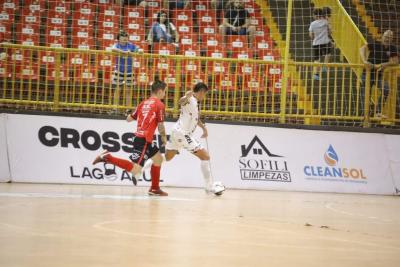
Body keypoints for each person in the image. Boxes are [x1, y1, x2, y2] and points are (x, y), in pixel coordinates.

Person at [93, 80, 169, 196]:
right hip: (143, 140)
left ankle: (154, 188)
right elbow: (160, 125)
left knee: (158, 159)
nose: (165, 94)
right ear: (159, 91)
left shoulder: (143, 103)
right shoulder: (159, 105)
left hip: (141, 137)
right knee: (136, 170)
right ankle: (107, 157)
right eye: (165, 92)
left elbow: (128, 119)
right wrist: (163, 138)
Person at [164, 82, 225, 195]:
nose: (204, 95)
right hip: (182, 133)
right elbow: (180, 102)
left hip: (176, 132)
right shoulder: (190, 99)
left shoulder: (196, 103)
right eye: (204, 93)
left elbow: (196, 119)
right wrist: (186, 96)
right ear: (201, 92)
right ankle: (209, 187)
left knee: (167, 158)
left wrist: (204, 129)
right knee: (205, 156)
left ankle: (142, 167)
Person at [359, 30, 399, 117]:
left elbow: (396, 62)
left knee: (386, 89)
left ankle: (378, 111)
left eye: (389, 37)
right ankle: (365, 114)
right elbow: (362, 49)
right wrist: (364, 61)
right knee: (365, 93)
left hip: (378, 75)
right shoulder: (376, 43)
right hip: (367, 73)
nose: (387, 39)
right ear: (382, 36)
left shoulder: (392, 48)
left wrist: (385, 64)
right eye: (385, 37)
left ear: (392, 39)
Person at [110, 31, 141, 114]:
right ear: (119, 39)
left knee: (128, 90)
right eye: (123, 39)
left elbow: (138, 50)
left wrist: (136, 51)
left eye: (126, 38)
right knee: (117, 89)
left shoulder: (131, 45)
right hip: (119, 70)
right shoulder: (116, 45)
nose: (125, 40)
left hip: (130, 71)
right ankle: (114, 108)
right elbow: (113, 49)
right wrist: (124, 52)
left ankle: (128, 109)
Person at [309, 8, 332, 80]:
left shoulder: (312, 24)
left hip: (316, 43)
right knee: (328, 53)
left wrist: (314, 37)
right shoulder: (325, 22)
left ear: (315, 15)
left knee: (317, 59)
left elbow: (311, 35)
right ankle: (325, 66)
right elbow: (330, 31)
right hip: (325, 42)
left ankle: (316, 75)